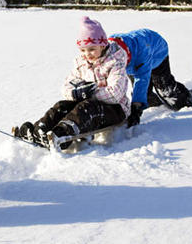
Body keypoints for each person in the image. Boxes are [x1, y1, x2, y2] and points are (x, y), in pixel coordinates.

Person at [13, 16, 130, 148]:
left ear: (102, 46)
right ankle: (40, 129)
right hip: (86, 104)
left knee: (86, 108)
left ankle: (61, 135)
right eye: (83, 50)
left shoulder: (115, 62)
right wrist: (75, 93)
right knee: (62, 105)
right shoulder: (81, 63)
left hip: (115, 110)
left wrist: (89, 93)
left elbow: (115, 94)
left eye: (92, 49)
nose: (87, 54)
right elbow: (66, 87)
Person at [108, 25, 192, 127]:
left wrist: (136, 107)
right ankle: (155, 102)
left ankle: (187, 97)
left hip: (157, 51)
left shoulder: (140, 54)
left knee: (167, 91)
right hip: (134, 61)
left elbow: (141, 79)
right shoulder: (107, 50)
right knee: (145, 95)